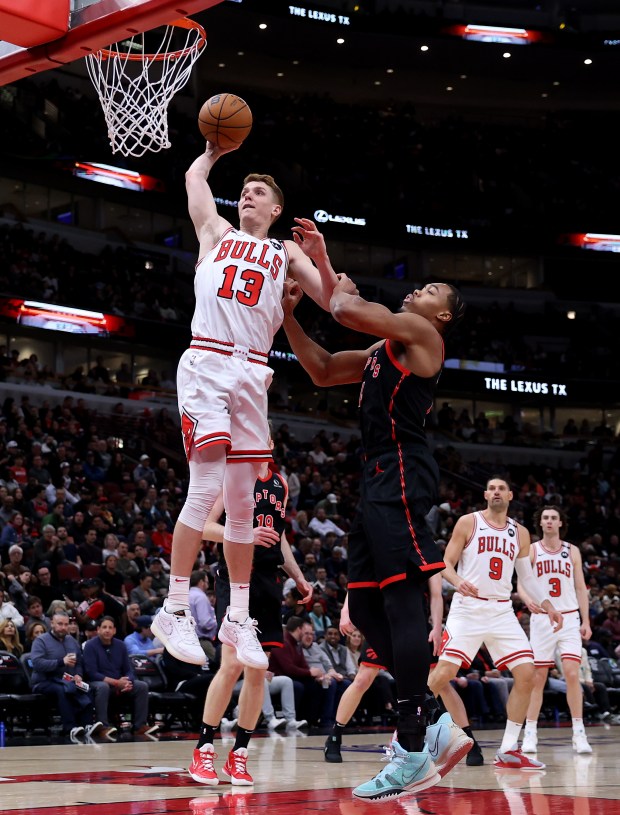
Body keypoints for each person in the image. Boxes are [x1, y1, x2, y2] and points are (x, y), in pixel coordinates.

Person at [151, 141, 338, 668]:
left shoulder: (285, 252)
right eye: (243, 192)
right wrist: (212, 153)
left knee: (241, 501)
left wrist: (322, 258)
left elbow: (332, 302)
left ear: (276, 208)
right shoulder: (216, 233)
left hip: (254, 370)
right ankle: (174, 607)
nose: (246, 198)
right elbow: (193, 183)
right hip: (208, 362)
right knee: (206, 485)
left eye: (257, 193)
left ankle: (238, 616)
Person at [283, 276, 470, 800]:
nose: (418, 290)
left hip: (404, 470)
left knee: (402, 603)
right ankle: (434, 722)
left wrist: (331, 275)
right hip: (375, 477)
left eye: (432, 289)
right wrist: (288, 318)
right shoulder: (380, 349)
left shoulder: (422, 335)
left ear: (444, 316)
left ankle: (412, 747)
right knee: (365, 612)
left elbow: (344, 308)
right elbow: (321, 371)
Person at [188, 440, 312, 786]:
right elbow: (203, 527)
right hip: (235, 575)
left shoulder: (280, 482)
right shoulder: (232, 474)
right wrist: (242, 532)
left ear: (270, 441)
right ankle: (203, 750)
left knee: (259, 669)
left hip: (268, 582)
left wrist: (299, 578)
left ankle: (239, 755)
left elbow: (279, 537)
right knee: (231, 665)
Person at [427, 476, 564, 771]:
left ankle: (508, 750)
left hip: (501, 611)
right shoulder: (468, 522)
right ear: (486, 494)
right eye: (492, 488)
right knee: (443, 674)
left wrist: (549, 605)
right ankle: (406, 735)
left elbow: (527, 579)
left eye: (502, 488)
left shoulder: (521, 533)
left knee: (527, 674)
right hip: (468, 608)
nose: (497, 491)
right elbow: (445, 564)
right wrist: (458, 581)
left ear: (511, 495)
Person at [324, 574, 480, 767]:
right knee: (363, 679)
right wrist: (347, 610)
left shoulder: (423, 549)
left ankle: (471, 741)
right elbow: (359, 577)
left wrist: (437, 627)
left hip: (415, 622)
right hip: (382, 621)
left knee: (440, 683)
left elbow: (436, 595)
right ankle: (334, 736)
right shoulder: (380, 546)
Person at [518, 505, 593, 754]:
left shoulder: (572, 551)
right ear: (540, 523)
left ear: (561, 523)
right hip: (542, 619)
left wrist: (586, 621)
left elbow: (581, 588)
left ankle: (579, 733)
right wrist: (528, 600)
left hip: (570, 617)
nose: (549, 521)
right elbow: (521, 584)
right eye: (545, 518)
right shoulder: (532, 550)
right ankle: (530, 732)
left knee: (572, 674)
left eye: (553, 518)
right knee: (538, 679)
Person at [29, 610, 100, 741]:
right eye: (60, 624)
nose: (63, 627)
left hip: (67, 679)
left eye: (66, 624)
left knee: (87, 688)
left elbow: (78, 662)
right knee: (62, 690)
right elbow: (37, 663)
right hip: (44, 681)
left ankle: (87, 724)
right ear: (52, 624)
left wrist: (78, 675)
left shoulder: (72, 641)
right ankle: (70, 727)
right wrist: (61, 662)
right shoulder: (41, 641)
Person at [83, 615, 158, 738]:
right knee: (103, 687)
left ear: (114, 630)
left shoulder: (120, 645)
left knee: (141, 686)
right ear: (98, 630)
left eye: (110, 627)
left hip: (119, 684)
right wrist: (116, 682)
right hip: (98, 683)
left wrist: (127, 682)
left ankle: (140, 726)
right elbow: (92, 673)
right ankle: (103, 726)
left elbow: (128, 670)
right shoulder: (90, 646)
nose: (107, 630)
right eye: (104, 627)